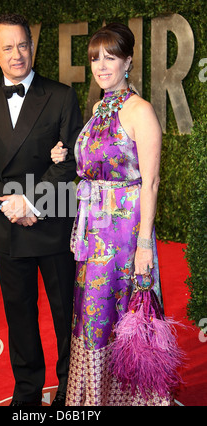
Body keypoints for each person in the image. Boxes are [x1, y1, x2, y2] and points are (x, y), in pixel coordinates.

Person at [0, 13, 83, 406]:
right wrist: (11, 202)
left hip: (52, 219)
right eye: (8, 47)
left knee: (66, 316)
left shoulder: (62, 95)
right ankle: (27, 394)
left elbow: (69, 162)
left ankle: (71, 391)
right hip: (7, 223)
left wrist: (31, 201)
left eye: (24, 44)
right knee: (20, 317)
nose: (18, 54)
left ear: (33, 45)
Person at [51, 23, 171, 406]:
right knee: (92, 315)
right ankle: (97, 399)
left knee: (124, 315)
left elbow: (149, 183)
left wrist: (144, 247)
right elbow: (97, 165)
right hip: (94, 232)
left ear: (128, 61)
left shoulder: (140, 110)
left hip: (124, 234)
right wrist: (67, 154)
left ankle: (136, 398)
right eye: (95, 58)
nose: (101, 66)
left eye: (110, 57)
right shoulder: (99, 106)